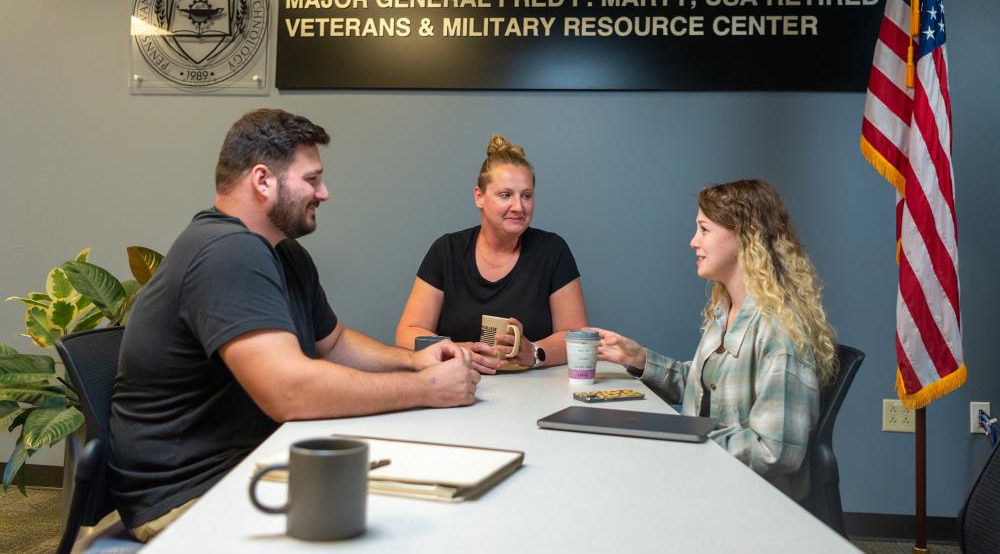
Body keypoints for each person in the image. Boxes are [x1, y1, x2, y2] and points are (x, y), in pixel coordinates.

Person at [109, 109, 480, 542]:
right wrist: (427, 389)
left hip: (252, 465)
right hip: (189, 497)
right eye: (311, 179)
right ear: (263, 180)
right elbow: (290, 391)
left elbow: (333, 343)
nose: (324, 192)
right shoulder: (226, 252)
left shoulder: (282, 252)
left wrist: (415, 362)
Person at [595, 179, 837, 499]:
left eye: (704, 229)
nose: (693, 242)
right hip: (707, 478)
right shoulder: (727, 309)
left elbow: (776, 450)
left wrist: (683, 441)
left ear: (744, 235)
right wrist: (638, 359)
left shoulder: (779, 332)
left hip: (748, 499)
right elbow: (703, 386)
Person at [395, 134, 588, 374]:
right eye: (505, 195)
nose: (519, 207)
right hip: (454, 386)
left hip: (534, 393)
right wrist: (455, 351)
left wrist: (533, 352)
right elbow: (408, 332)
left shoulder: (552, 250)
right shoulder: (447, 251)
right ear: (479, 197)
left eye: (526, 195)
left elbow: (576, 337)